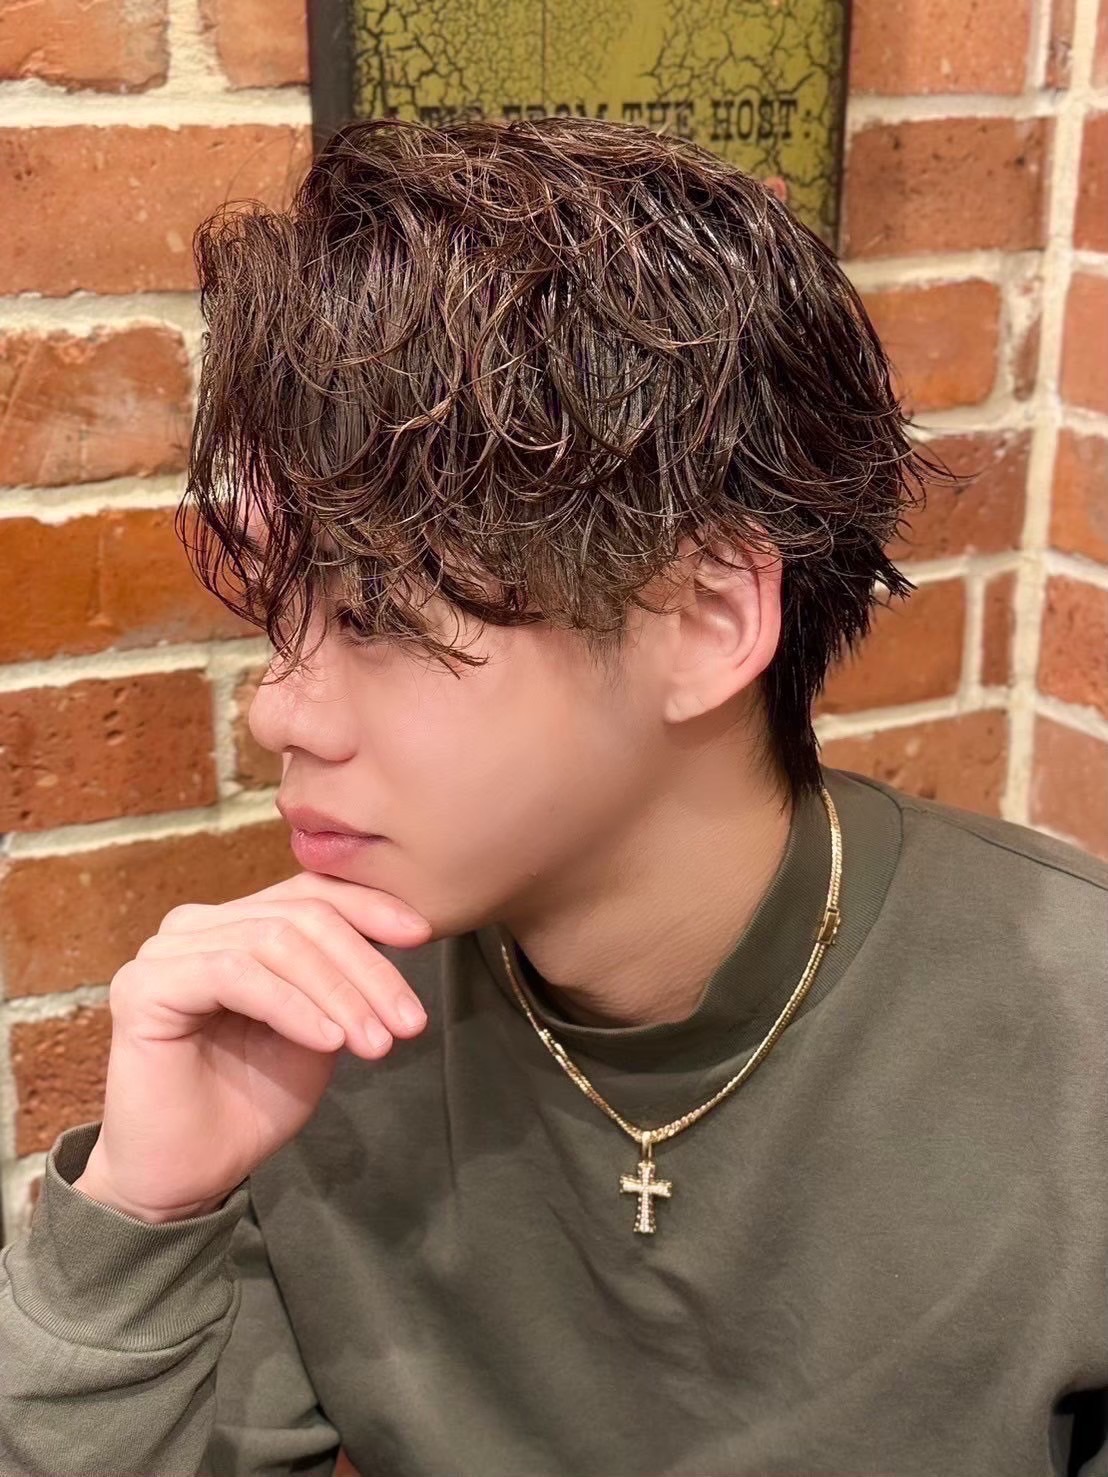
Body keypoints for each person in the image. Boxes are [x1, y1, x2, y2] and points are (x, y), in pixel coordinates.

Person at [1, 115, 1105, 1477]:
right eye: (281, 619)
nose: (276, 711)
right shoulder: (303, 1045)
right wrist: (140, 1217)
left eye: (377, 616)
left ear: (705, 618)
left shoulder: (1075, 1042)